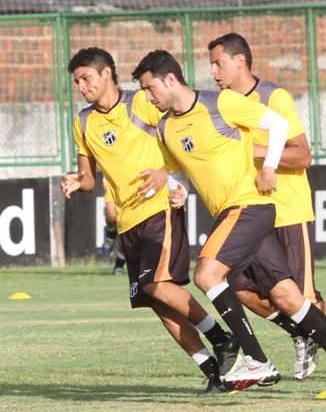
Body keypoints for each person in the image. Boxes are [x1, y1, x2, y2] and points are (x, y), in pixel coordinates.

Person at [132, 49, 326, 402]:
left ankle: (256, 359)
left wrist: (269, 166)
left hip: (249, 206)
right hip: (230, 213)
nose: (146, 97)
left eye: (148, 88)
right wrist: (180, 191)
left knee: (206, 274)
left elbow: (278, 125)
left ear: (170, 79)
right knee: (287, 297)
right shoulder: (165, 127)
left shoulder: (222, 103)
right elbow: (179, 169)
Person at [61, 47, 239, 395]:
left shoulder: (142, 103)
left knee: (156, 285)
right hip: (128, 222)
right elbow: (89, 178)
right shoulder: (83, 121)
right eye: (77, 82)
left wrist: (166, 175)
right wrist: (75, 181)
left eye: (86, 78)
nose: (81, 87)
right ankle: (213, 370)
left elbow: (183, 140)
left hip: (160, 208)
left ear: (106, 74)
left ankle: (222, 336)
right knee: (157, 302)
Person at [206, 32, 326, 381]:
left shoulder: (272, 95)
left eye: (218, 63)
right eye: (211, 65)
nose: (213, 72)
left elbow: (303, 154)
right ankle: (299, 333)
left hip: (288, 209)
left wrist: (257, 153)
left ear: (240, 61)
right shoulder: (219, 104)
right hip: (250, 212)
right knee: (237, 287)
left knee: (305, 295)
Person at [101, 178, 127, 275]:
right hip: (111, 180)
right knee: (111, 216)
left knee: (126, 227)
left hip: (132, 181)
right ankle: (111, 234)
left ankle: (119, 265)